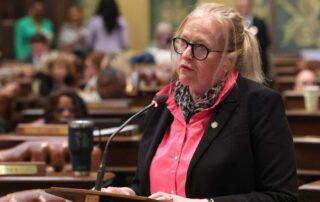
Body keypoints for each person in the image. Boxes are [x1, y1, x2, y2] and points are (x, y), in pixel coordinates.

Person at [102, 3, 297, 201]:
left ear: (228, 62)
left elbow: (282, 196)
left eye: (200, 48)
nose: (186, 54)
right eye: (183, 42)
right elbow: (145, 185)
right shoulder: (162, 104)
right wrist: (131, 194)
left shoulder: (260, 105)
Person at [236, 0, 270, 78]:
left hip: (258, 63)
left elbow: (266, 42)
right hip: (239, 63)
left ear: (250, 6)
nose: (244, 9)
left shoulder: (260, 23)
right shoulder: (235, 23)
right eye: (241, 7)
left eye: (246, 6)